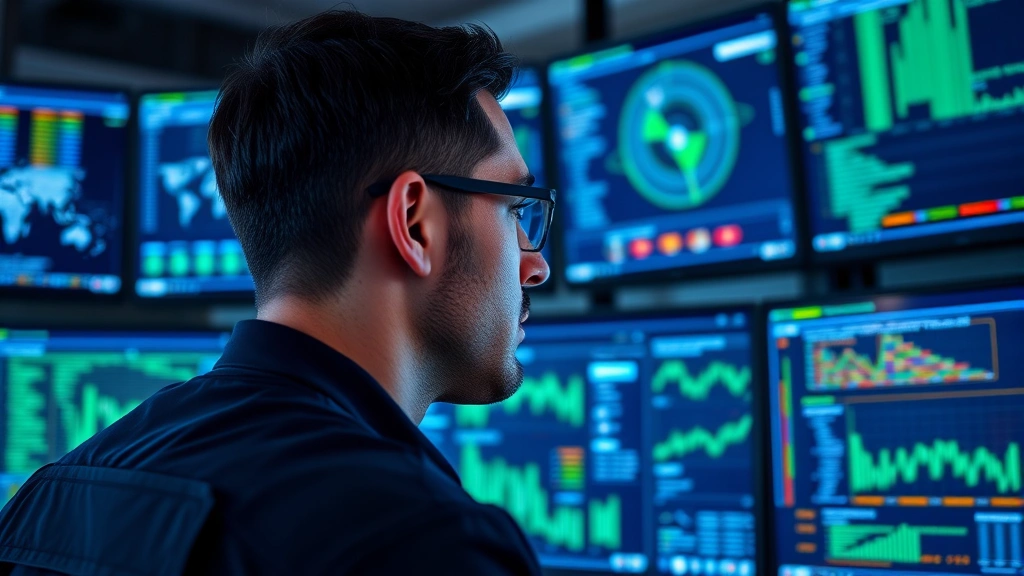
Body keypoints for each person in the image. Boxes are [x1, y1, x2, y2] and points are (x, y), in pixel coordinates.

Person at [0, 9, 553, 575]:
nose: (536, 266)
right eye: (514, 208)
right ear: (414, 224)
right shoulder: (425, 540)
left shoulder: (51, 495)